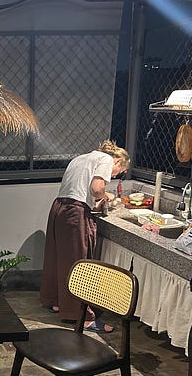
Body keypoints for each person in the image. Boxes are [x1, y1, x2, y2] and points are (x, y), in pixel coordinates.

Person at [40, 139, 130, 332]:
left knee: (58, 258)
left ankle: (56, 302)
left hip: (59, 207)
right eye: (120, 171)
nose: (115, 175)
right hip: (74, 212)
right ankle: (81, 317)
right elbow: (96, 189)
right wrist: (104, 196)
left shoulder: (81, 158)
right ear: (117, 160)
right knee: (78, 263)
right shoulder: (106, 159)